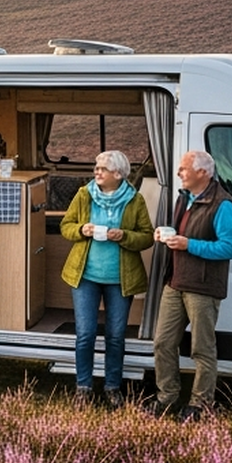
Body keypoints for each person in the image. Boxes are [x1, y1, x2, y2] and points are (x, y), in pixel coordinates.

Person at [150, 149, 232, 422]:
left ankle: (200, 405)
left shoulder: (223, 205)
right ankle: (167, 397)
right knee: (163, 343)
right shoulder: (184, 197)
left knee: (202, 349)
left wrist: (188, 244)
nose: (179, 173)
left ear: (203, 172)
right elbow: (183, 233)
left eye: (184, 169)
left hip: (202, 287)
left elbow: (230, 248)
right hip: (175, 282)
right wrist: (166, 235)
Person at [59, 150, 154, 407]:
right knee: (85, 334)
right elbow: (66, 226)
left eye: (103, 168)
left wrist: (124, 236)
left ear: (118, 174)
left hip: (120, 279)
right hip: (85, 276)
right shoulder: (84, 194)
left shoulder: (135, 200)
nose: (96, 171)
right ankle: (83, 387)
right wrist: (82, 229)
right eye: (96, 167)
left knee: (115, 336)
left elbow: (146, 236)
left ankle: (113, 387)